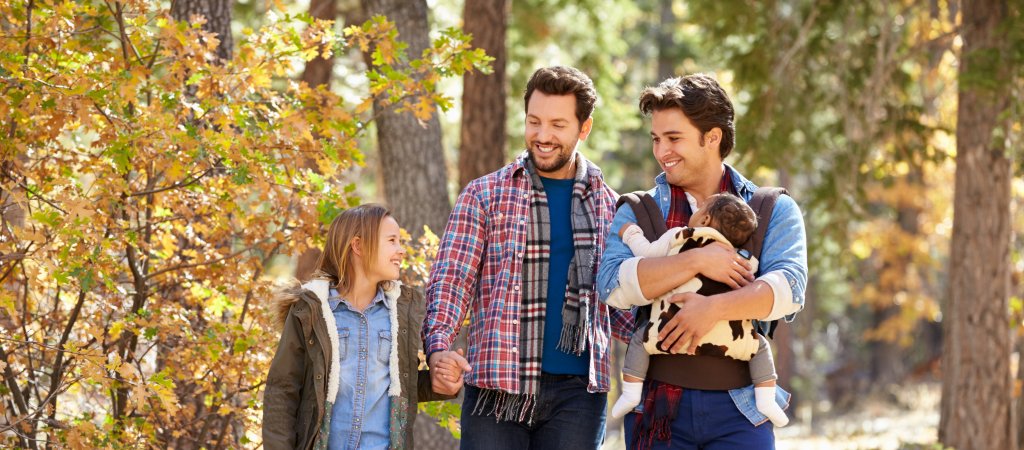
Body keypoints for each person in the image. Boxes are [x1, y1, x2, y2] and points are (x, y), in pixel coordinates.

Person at [422, 66, 634, 450]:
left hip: (579, 396)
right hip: (497, 388)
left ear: (584, 129)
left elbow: (619, 302)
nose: (542, 135)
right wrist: (438, 347)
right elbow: (452, 281)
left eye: (557, 124)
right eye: (534, 122)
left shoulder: (609, 205)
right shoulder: (485, 195)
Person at [597, 73, 807, 449]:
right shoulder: (638, 209)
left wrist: (712, 309)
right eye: (656, 139)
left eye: (674, 138)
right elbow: (612, 285)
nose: (662, 151)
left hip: (742, 407)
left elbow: (789, 289)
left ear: (712, 138)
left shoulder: (771, 208)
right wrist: (698, 260)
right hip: (656, 409)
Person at [263, 204, 455, 450]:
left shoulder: (404, 310)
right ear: (358, 246)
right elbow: (282, 391)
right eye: (392, 240)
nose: (401, 250)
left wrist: (440, 382)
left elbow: (399, 383)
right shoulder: (311, 311)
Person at [609, 193, 788, 428]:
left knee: (640, 341)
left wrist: (631, 234)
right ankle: (766, 401)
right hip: (731, 339)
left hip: (668, 330)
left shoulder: (680, 237)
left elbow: (648, 254)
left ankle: (631, 393)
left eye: (701, 207)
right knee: (760, 346)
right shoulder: (739, 256)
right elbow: (752, 278)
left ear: (704, 221)